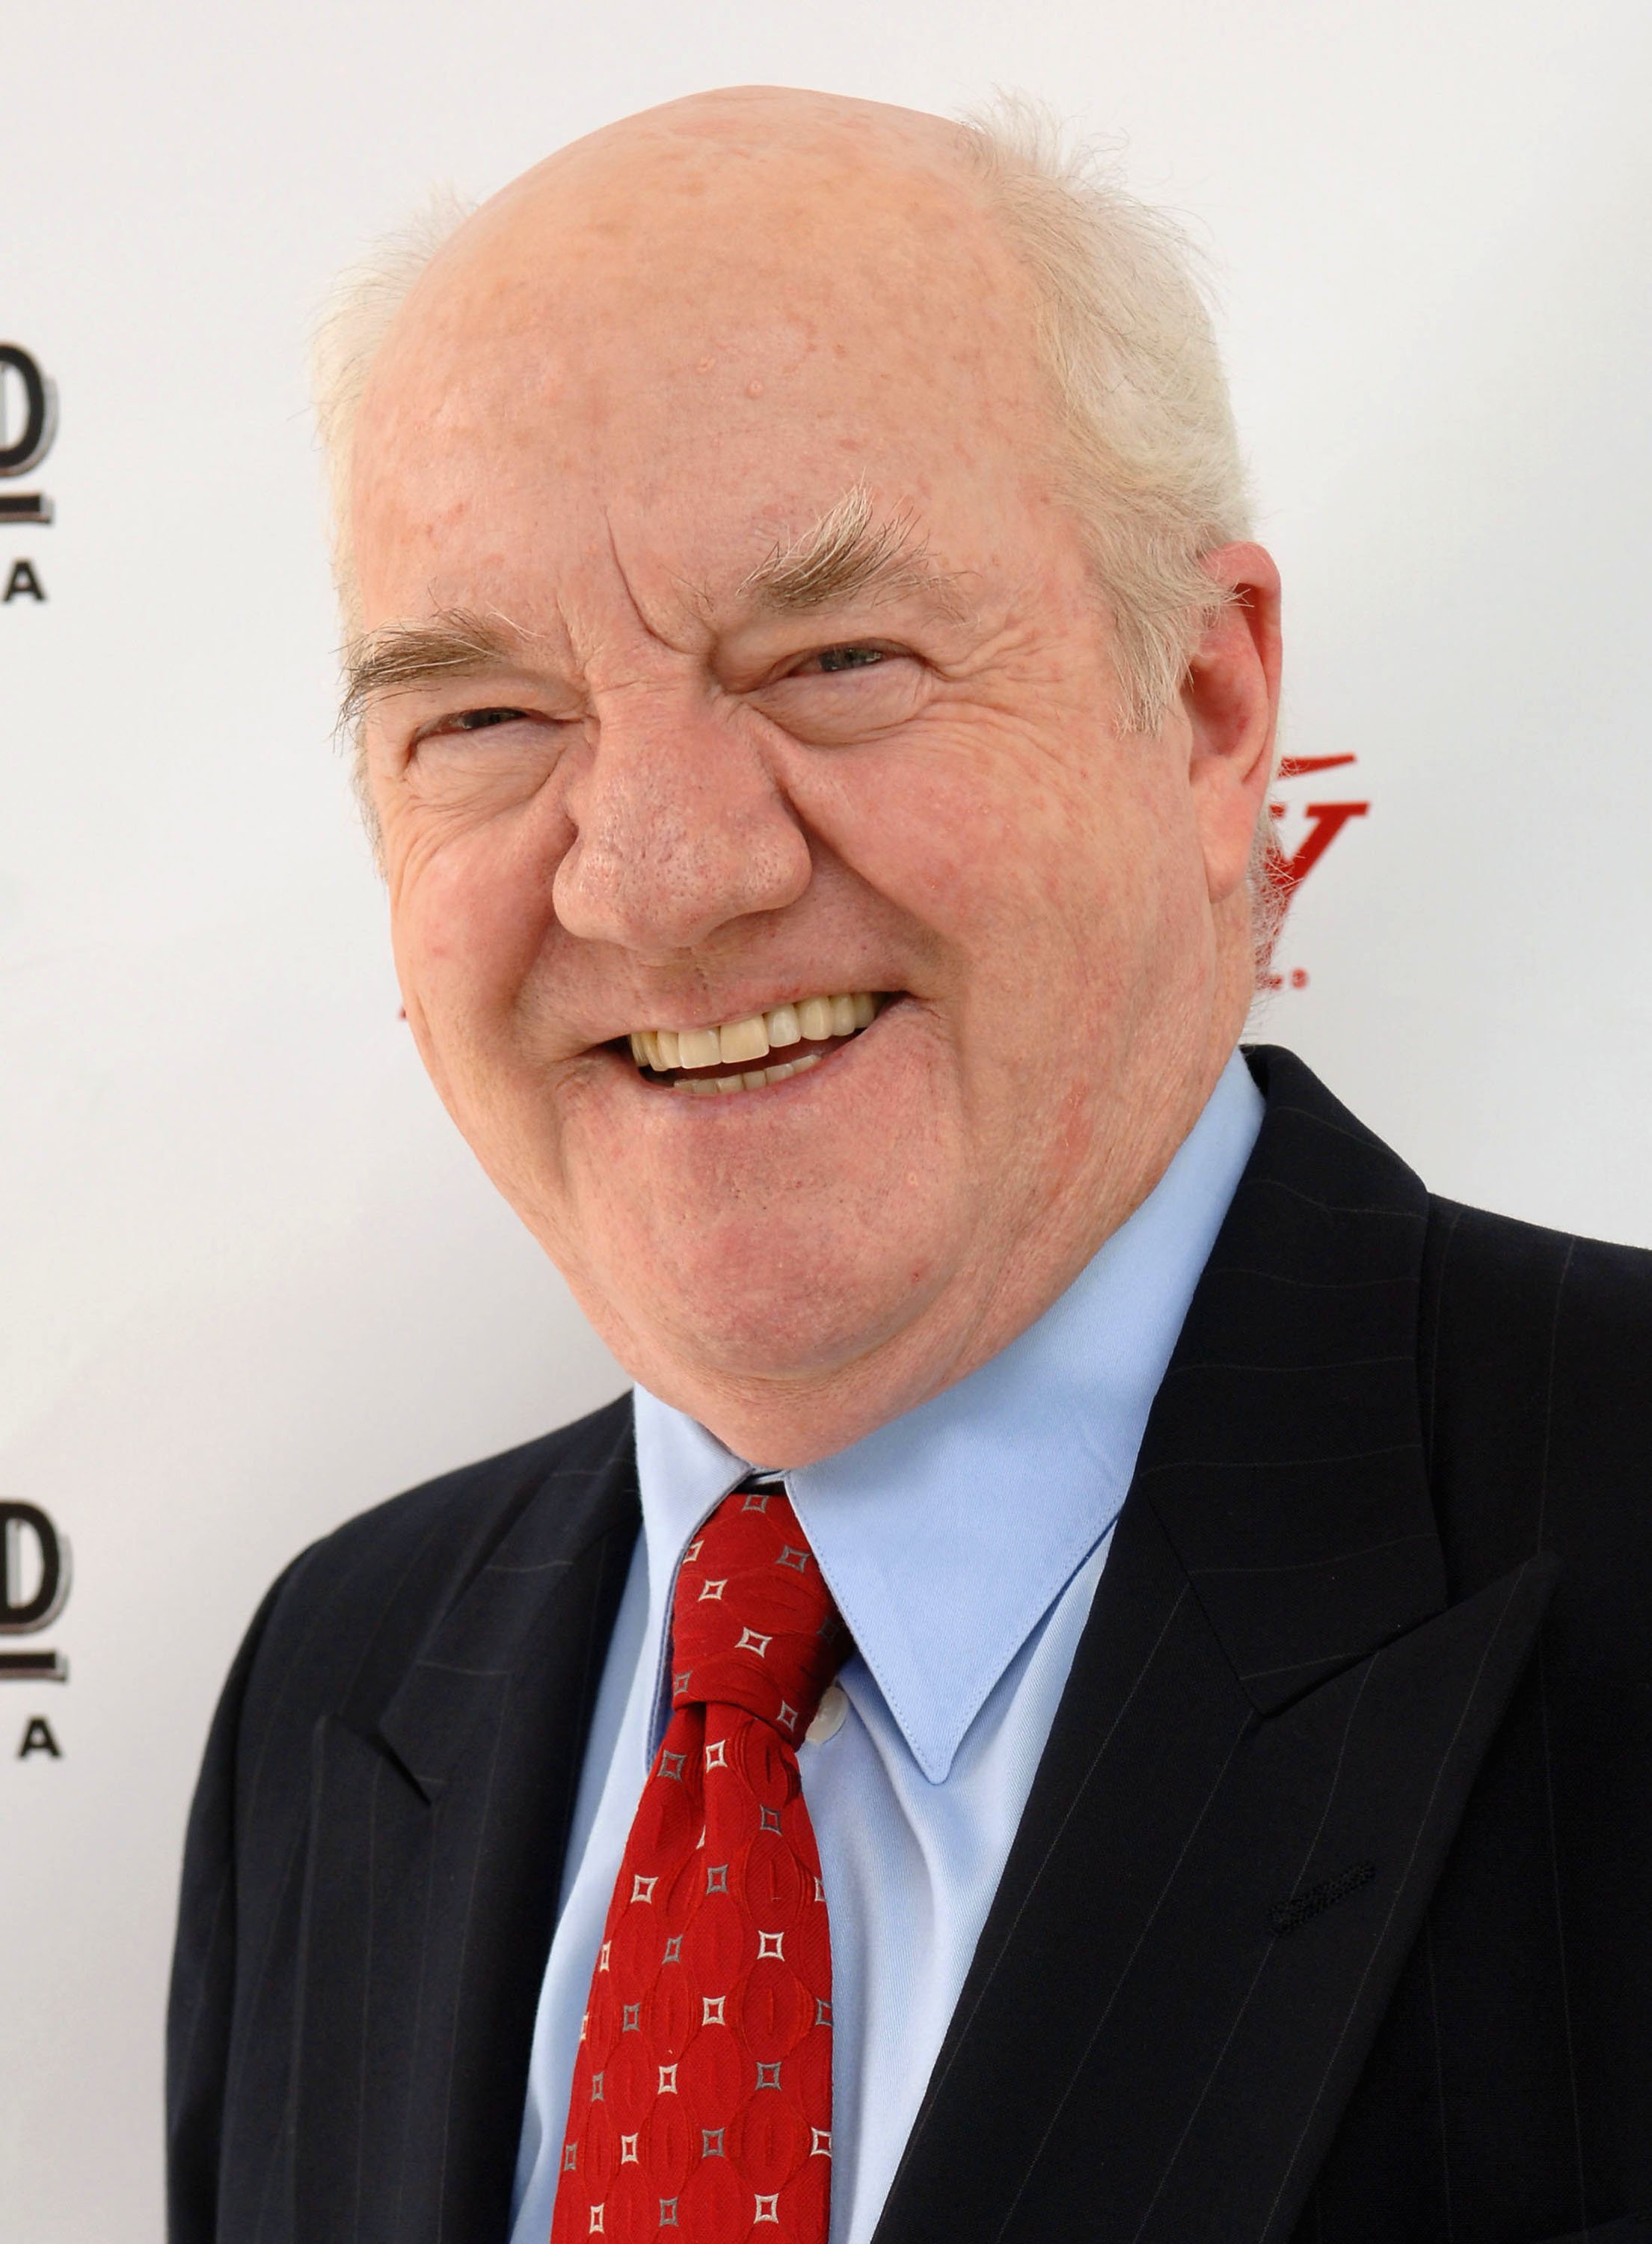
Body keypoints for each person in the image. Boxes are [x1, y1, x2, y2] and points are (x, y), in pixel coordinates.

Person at [165, 86, 1651, 2244]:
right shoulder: (339, 1683)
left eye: (834, 660)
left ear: (1209, 702)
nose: (660, 879)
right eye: (483, 717)